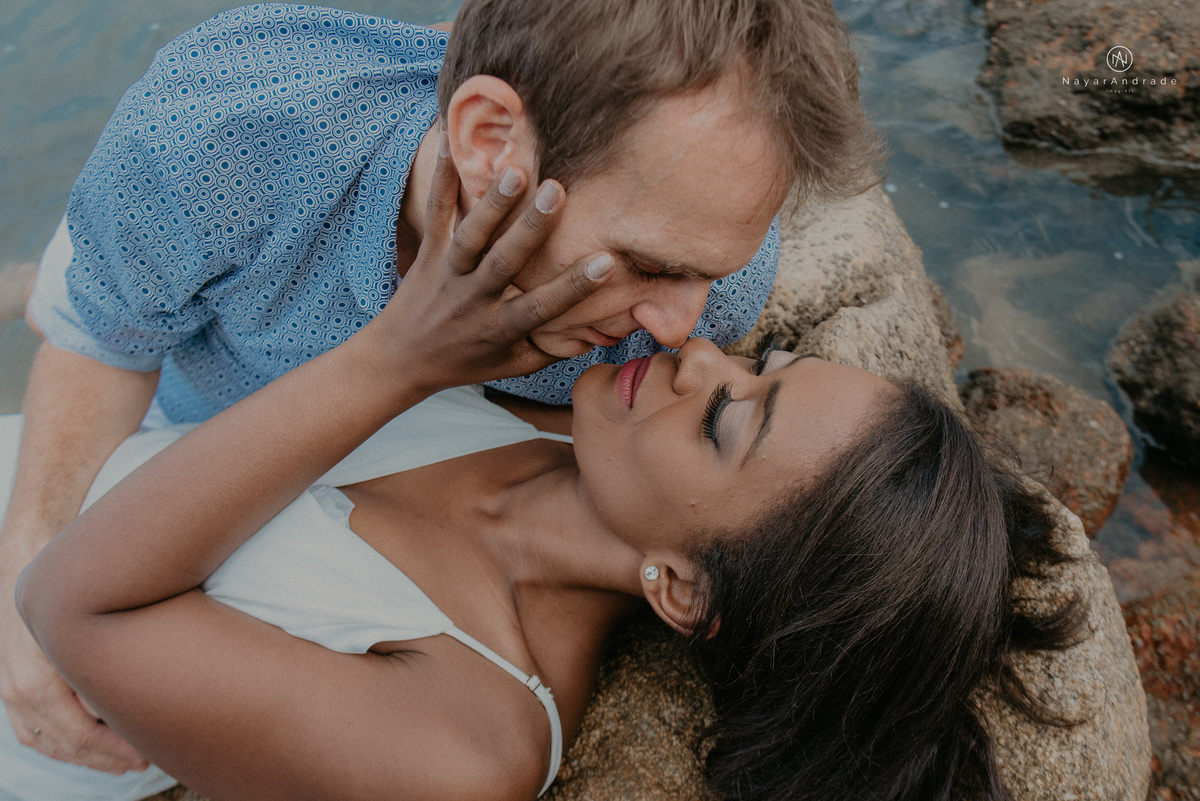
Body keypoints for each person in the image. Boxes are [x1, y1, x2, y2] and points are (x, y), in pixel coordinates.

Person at [9, 138, 1080, 801]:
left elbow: (72, 605)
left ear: (683, 585)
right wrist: (66, 286)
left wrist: (398, 362)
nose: (695, 353)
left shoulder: (473, 741)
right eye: (758, 366)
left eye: (722, 424)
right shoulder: (573, 404)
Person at [1, 0, 882, 770]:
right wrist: (23, 571)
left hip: (171, 521)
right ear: (489, 141)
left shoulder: (697, 302)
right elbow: (102, 341)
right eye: (649, 264)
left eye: (704, 275)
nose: (684, 329)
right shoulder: (232, 125)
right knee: (99, 292)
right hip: (164, 410)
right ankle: (74, 265)